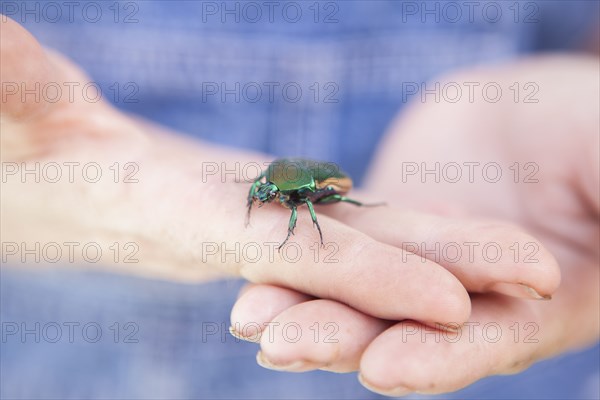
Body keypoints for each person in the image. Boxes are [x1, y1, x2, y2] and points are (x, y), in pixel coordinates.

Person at [1, 1, 598, 398]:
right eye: (264, 194)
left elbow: (320, 193)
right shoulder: (271, 183)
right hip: (68, 361)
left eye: (267, 194)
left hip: (514, 367)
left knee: (354, 223)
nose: (263, 197)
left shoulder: (300, 191)